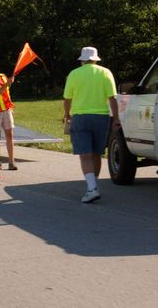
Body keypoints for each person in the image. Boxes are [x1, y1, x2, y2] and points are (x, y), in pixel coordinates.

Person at [63, 47, 119, 203]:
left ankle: (91, 188)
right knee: (96, 153)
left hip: (80, 117)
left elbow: (67, 98)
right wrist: (116, 119)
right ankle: (93, 186)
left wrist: (67, 114)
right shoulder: (106, 72)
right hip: (102, 117)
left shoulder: (74, 74)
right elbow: (112, 98)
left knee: (85, 155)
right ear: (95, 59)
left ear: (82, 60)